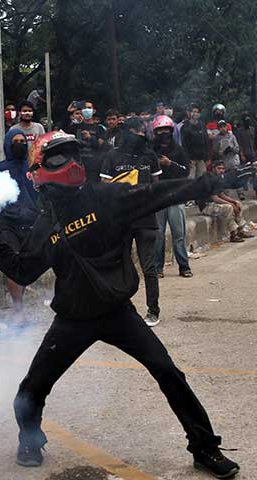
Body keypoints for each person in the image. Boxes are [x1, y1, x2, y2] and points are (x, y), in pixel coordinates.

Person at [0, 130, 239, 479]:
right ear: (38, 172)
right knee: (30, 390)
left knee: (169, 373)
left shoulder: (107, 197)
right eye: (58, 159)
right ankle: (30, 439)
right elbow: (23, 271)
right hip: (72, 319)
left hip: (117, 312)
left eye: (73, 156)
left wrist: (206, 184)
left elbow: (157, 193)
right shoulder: (45, 226)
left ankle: (205, 447)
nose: (70, 165)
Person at [101, 118, 162, 326]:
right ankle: (122, 309)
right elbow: (104, 185)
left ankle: (153, 311)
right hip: (121, 221)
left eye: (143, 131)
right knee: (120, 266)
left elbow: (157, 185)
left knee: (149, 268)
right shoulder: (112, 156)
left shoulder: (149, 156)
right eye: (138, 131)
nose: (142, 135)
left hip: (146, 220)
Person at [0, 130, 40, 311]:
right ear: (7, 144)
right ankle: (18, 309)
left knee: (27, 263)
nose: (19, 144)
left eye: (22, 140)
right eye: (15, 141)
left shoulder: (33, 166)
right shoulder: (0, 168)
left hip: (32, 220)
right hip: (9, 222)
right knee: (13, 262)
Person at [150, 115, 192, 278]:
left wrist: (170, 164)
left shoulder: (179, 150)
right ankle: (157, 267)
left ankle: (184, 266)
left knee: (178, 233)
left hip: (175, 195)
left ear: (171, 131)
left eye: (166, 130)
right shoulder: (151, 152)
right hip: (158, 197)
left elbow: (185, 171)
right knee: (158, 234)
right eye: (160, 131)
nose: (163, 133)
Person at [202, 161, 252, 243]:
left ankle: (240, 230)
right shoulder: (209, 178)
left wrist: (234, 201)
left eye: (223, 169)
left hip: (215, 204)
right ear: (214, 169)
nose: (221, 170)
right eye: (219, 168)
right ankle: (233, 234)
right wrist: (230, 204)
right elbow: (214, 197)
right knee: (229, 208)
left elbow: (221, 194)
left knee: (238, 203)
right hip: (207, 206)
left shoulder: (219, 178)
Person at [181, 104, 211, 178]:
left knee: (202, 178)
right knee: (190, 180)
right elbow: (184, 144)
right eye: (193, 111)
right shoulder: (185, 126)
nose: (195, 114)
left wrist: (207, 157)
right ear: (190, 113)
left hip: (201, 158)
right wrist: (187, 158)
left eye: (197, 112)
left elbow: (206, 141)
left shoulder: (202, 125)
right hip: (191, 159)